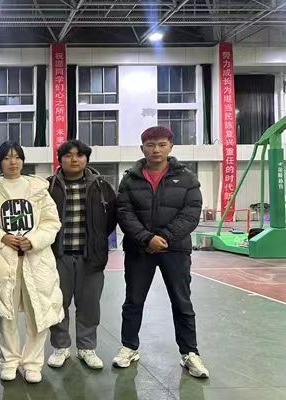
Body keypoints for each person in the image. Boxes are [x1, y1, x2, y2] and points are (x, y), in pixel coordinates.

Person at [113, 126, 209, 378]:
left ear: (170, 147)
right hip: (139, 250)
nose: (156, 149)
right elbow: (124, 212)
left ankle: (189, 353)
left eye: (161, 144)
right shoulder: (130, 179)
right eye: (150, 145)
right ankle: (129, 347)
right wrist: (146, 238)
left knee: (182, 302)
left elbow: (191, 213)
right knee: (133, 301)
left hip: (175, 250)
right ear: (142, 148)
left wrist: (164, 238)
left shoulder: (186, 178)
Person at [0, 141, 63, 383]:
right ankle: (9, 361)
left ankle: (32, 363)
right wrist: (2, 237)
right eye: (7, 158)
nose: (13, 162)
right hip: (4, 261)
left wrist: (33, 240)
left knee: (38, 312)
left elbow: (51, 222)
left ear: (23, 160)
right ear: (0, 162)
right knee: (5, 314)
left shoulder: (39, 189)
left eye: (17, 157)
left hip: (36, 261)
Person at [46, 139, 117, 370]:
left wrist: (96, 243)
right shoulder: (48, 187)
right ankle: (60, 347)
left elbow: (110, 220)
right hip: (57, 257)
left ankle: (87, 348)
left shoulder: (102, 187)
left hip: (91, 258)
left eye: (79, 155)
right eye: (68, 155)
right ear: (60, 160)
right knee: (58, 304)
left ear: (87, 159)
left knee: (89, 305)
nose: (74, 159)